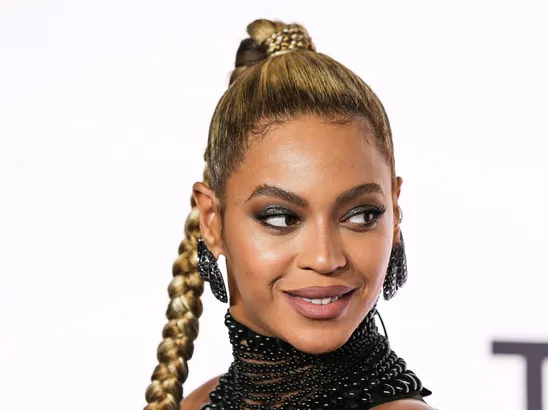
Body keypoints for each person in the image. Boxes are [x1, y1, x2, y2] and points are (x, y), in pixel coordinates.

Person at [143, 19, 434, 410]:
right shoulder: (197, 402)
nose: (325, 259)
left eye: (361, 215)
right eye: (281, 218)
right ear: (212, 221)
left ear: (394, 214)